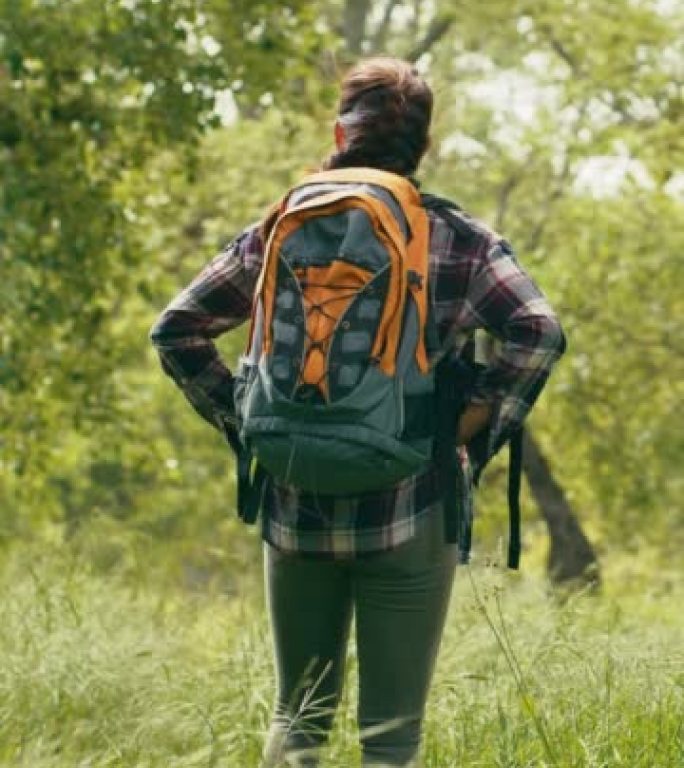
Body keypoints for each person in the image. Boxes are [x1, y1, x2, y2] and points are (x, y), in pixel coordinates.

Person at [150, 57, 566, 768]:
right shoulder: (458, 241)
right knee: (390, 738)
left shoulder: (282, 226)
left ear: (339, 130)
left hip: (296, 500)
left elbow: (176, 330)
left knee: (299, 717)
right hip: (411, 506)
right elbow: (539, 331)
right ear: (423, 146)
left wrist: (248, 426)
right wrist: (466, 434)